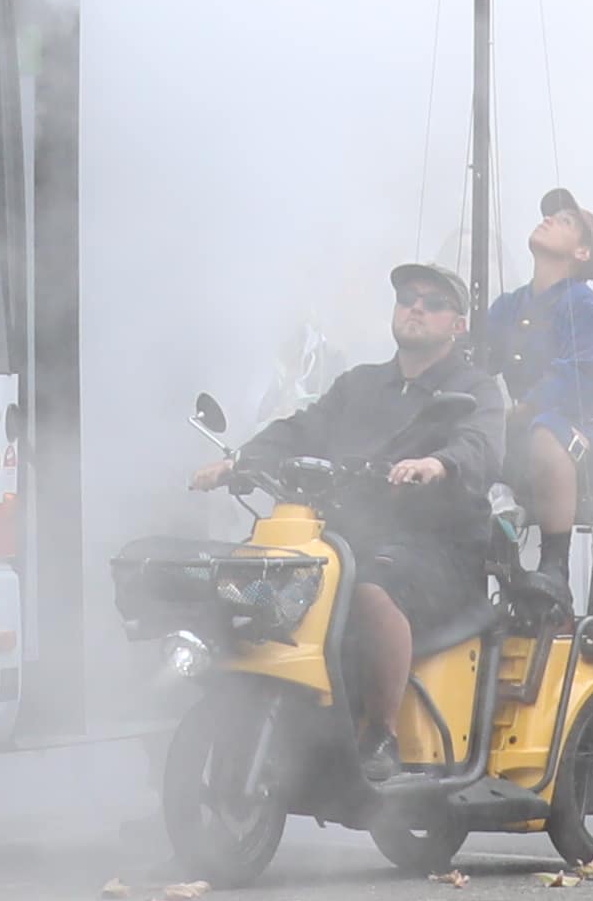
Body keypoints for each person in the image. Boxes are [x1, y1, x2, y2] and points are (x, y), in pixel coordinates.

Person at [211, 261, 508, 764]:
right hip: (347, 538)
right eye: (407, 297)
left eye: (433, 302)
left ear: (458, 325)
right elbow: (300, 427)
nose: (416, 306)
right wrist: (237, 461)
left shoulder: (474, 389)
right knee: (249, 578)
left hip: (438, 549)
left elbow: (481, 445)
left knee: (366, 589)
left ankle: (382, 735)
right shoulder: (358, 384)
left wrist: (437, 464)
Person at [482, 191, 593, 545]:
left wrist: (522, 409)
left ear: (583, 253)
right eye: (551, 215)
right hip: (523, 432)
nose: (548, 219)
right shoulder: (510, 305)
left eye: (565, 221)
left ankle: (554, 567)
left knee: (547, 432)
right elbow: (478, 362)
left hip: (589, 439)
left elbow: (578, 377)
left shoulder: (585, 307)